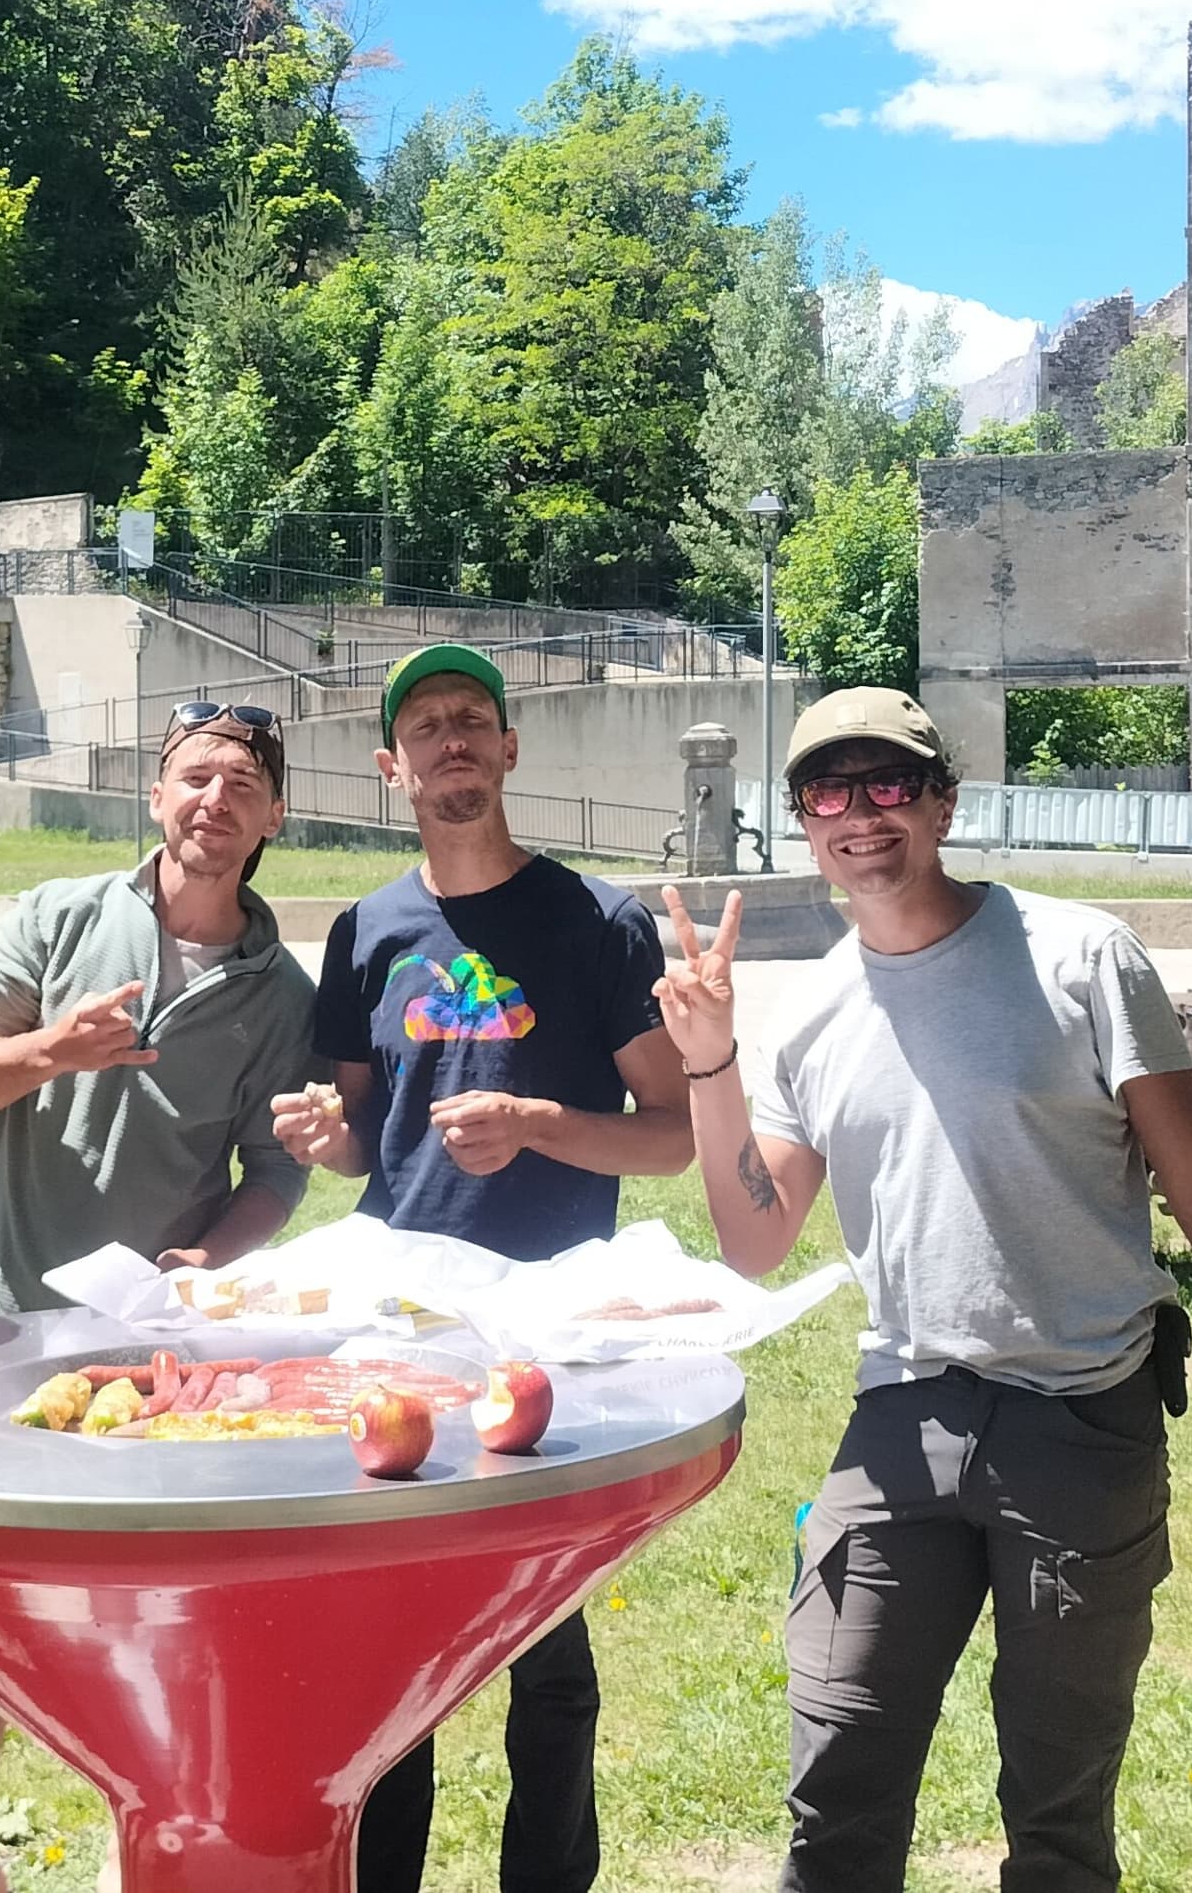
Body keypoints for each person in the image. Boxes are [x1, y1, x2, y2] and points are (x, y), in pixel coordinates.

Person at [656, 687, 1192, 1893]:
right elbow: (755, 1238)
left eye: (890, 783)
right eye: (828, 792)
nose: (861, 814)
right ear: (802, 820)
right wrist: (710, 1063)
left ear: (943, 801)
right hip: (903, 1412)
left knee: (1058, 1809)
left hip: (1079, 1416)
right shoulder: (815, 1017)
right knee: (837, 1773)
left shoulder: (1080, 956)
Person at [269, 647, 690, 1893]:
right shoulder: (365, 931)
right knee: (390, 1655)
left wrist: (544, 1125)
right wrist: (321, 1139)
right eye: (424, 726)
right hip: (401, 1323)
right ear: (391, 767)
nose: (451, 738)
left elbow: (672, 1135)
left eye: (472, 719)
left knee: (545, 1663)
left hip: (549, 1331)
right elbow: (361, 1139)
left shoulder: (595, 923)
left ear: (510, 750)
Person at [0, 700, 319, 1893]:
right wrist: (51, 1051)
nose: (216, 800)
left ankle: (131, 1840)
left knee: (148, 1605)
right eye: (195, 776)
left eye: (243, 785)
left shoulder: (279, 991)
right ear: (155, 796)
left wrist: (218, 1259)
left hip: (149, 1348)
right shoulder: (54, 917)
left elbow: (275, 1172)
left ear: (274, 819)